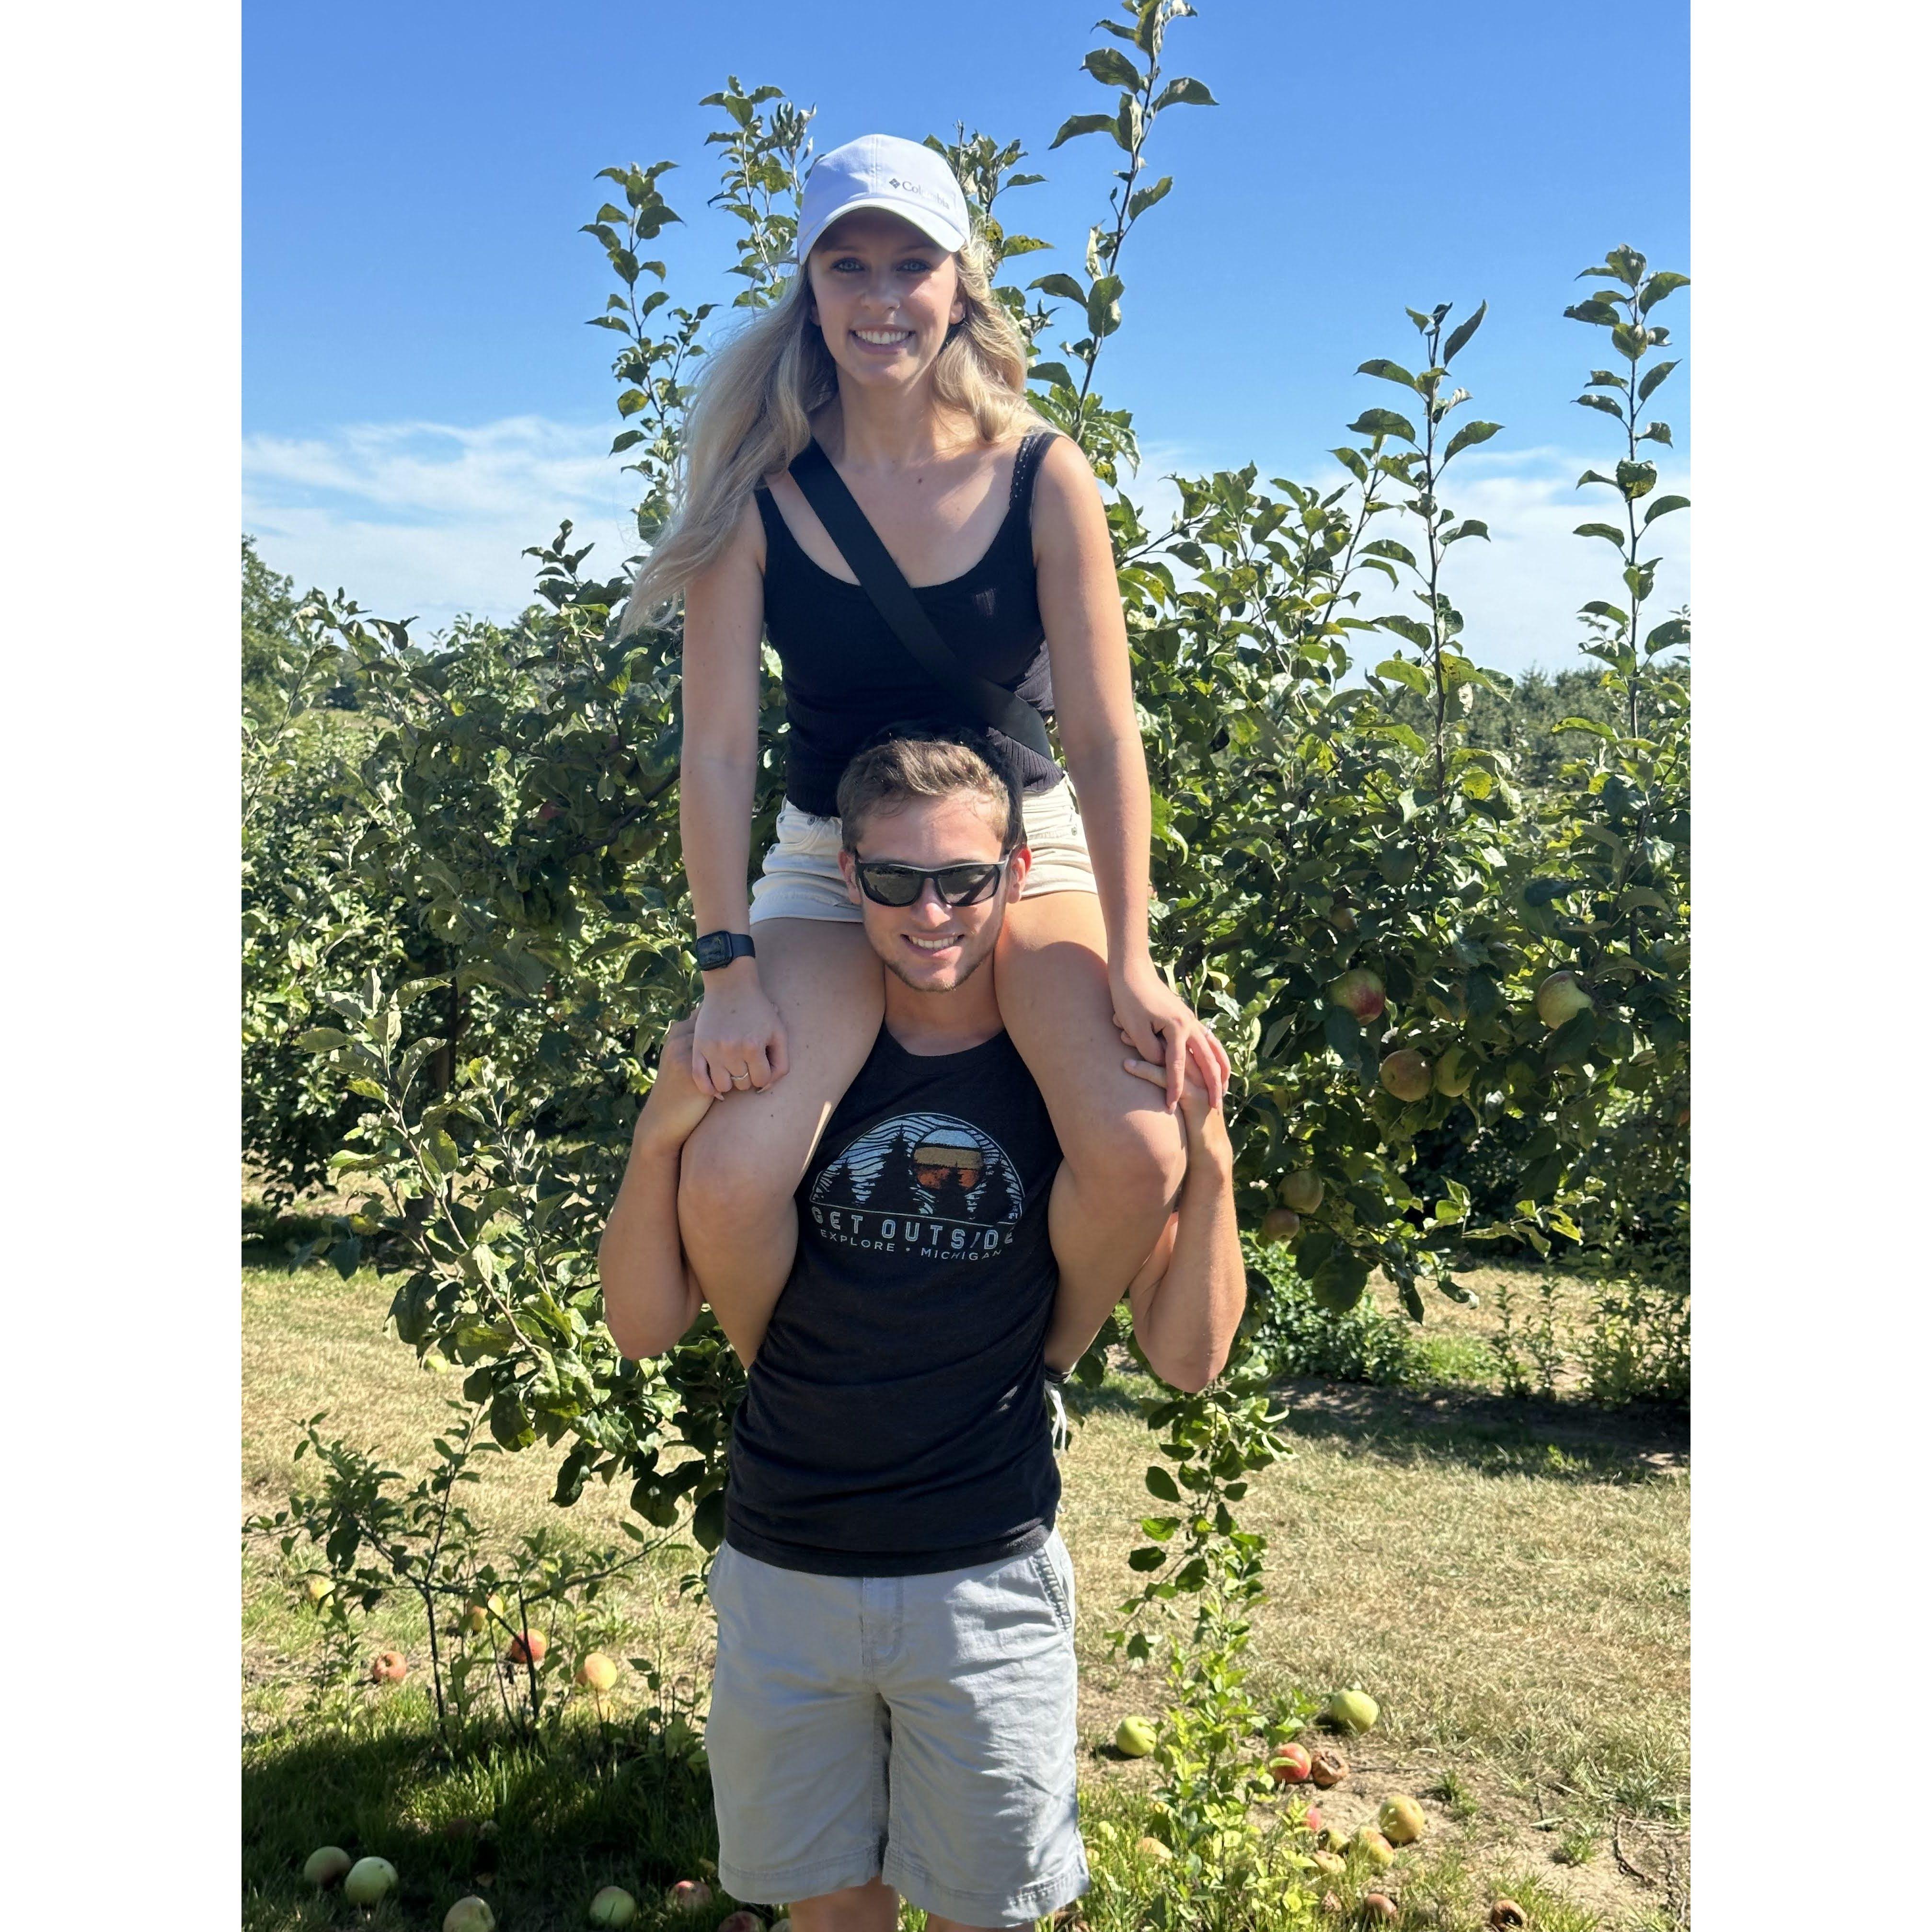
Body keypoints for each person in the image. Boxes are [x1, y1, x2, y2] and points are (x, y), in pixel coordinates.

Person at [598, 729, 1247, 1932]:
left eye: (963, 879)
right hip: (788, 1573)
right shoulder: (791, 1074)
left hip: (982, 1578)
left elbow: (1188, 1357)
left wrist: (1208, 1167)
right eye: (897, 880)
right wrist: (658, 1137)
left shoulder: (1068, 1086)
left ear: (1017, 872)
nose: (932, 912)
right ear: (848, 878)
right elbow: (640, 1329)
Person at [618, 130, 1230, 1378]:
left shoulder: (1043, 475)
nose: (881, 297)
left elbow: (1106, 734)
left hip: (1022, 848)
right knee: (728, 1179)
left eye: (912, 264)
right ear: (809, 289)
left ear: (960, 284)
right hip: (831, 863)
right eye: (847, 266)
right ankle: (796, 1391)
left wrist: (1133, 958)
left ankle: (1029, 1379)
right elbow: (719, 753)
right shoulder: (759, 494)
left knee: (1140, 1150)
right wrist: (727, 967)